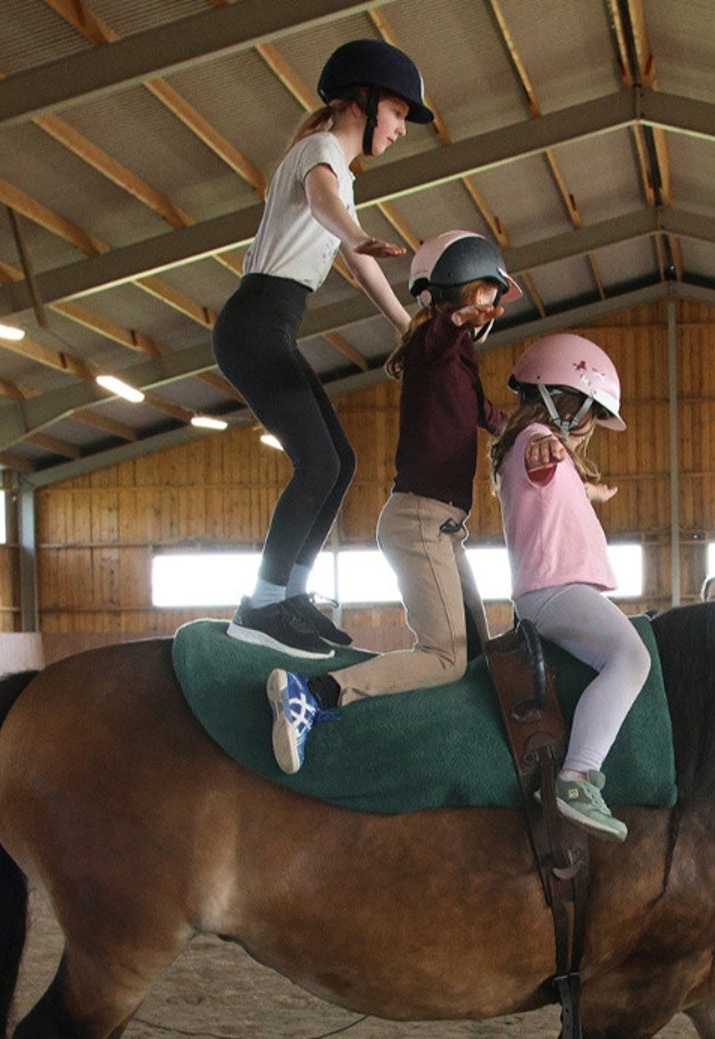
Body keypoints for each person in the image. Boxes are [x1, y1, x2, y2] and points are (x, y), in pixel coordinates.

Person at [265, 232, 520, 774]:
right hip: (420, 520)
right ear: (456, 295)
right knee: (446, 658)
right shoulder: (434, 345)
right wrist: (456, 317)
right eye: (483, 295)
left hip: (444, 526)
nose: (488, 309)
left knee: (478, 650)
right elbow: (435, 335)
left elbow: (492, 418)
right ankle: (315, 692)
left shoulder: (461, 363)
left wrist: (540, 432)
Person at [214, 39, 434, 659]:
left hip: (270, 325)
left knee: (339, 461)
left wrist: (405, 324)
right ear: (361, 104)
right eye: (397, 114)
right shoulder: (318, 155)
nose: (400, 131)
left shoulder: (342, 175)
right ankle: (260, 605)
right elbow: (322, 203)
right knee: (316, 463)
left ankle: (291, 598)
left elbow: (359, 265)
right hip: (254, 322)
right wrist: (359, 233)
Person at [490, 334, 649, 842]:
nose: (587, 433)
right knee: (632, 658)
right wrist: (551, 450)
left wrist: (589, 490)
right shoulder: (538, 440)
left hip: (549, 590)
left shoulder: (536, 444)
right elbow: (541, 462)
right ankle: (578, 777)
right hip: (554, 589)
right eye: (587, 417)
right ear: (563, 404)